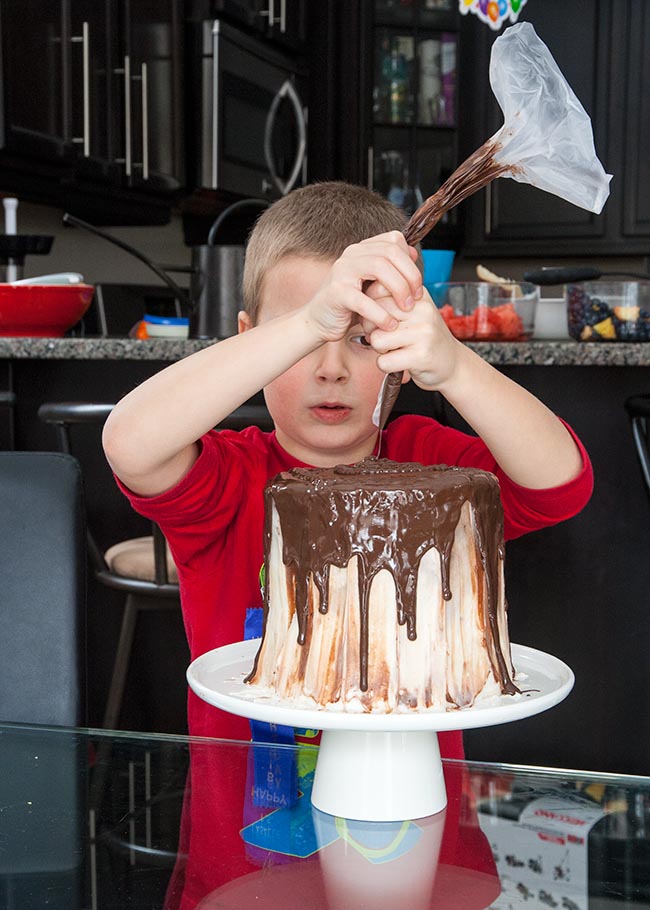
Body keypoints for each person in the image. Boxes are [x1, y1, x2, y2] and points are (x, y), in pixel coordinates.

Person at [103, 181, 592, 907]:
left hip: (423, 858)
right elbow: (130, 442)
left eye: (363, 338)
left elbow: (562, 484)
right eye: (306, 334)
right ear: (253, 339)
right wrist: (312, 319)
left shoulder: (435, 466)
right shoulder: (229, 480)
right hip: (245, 872)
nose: (331, 366)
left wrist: (454, 364)